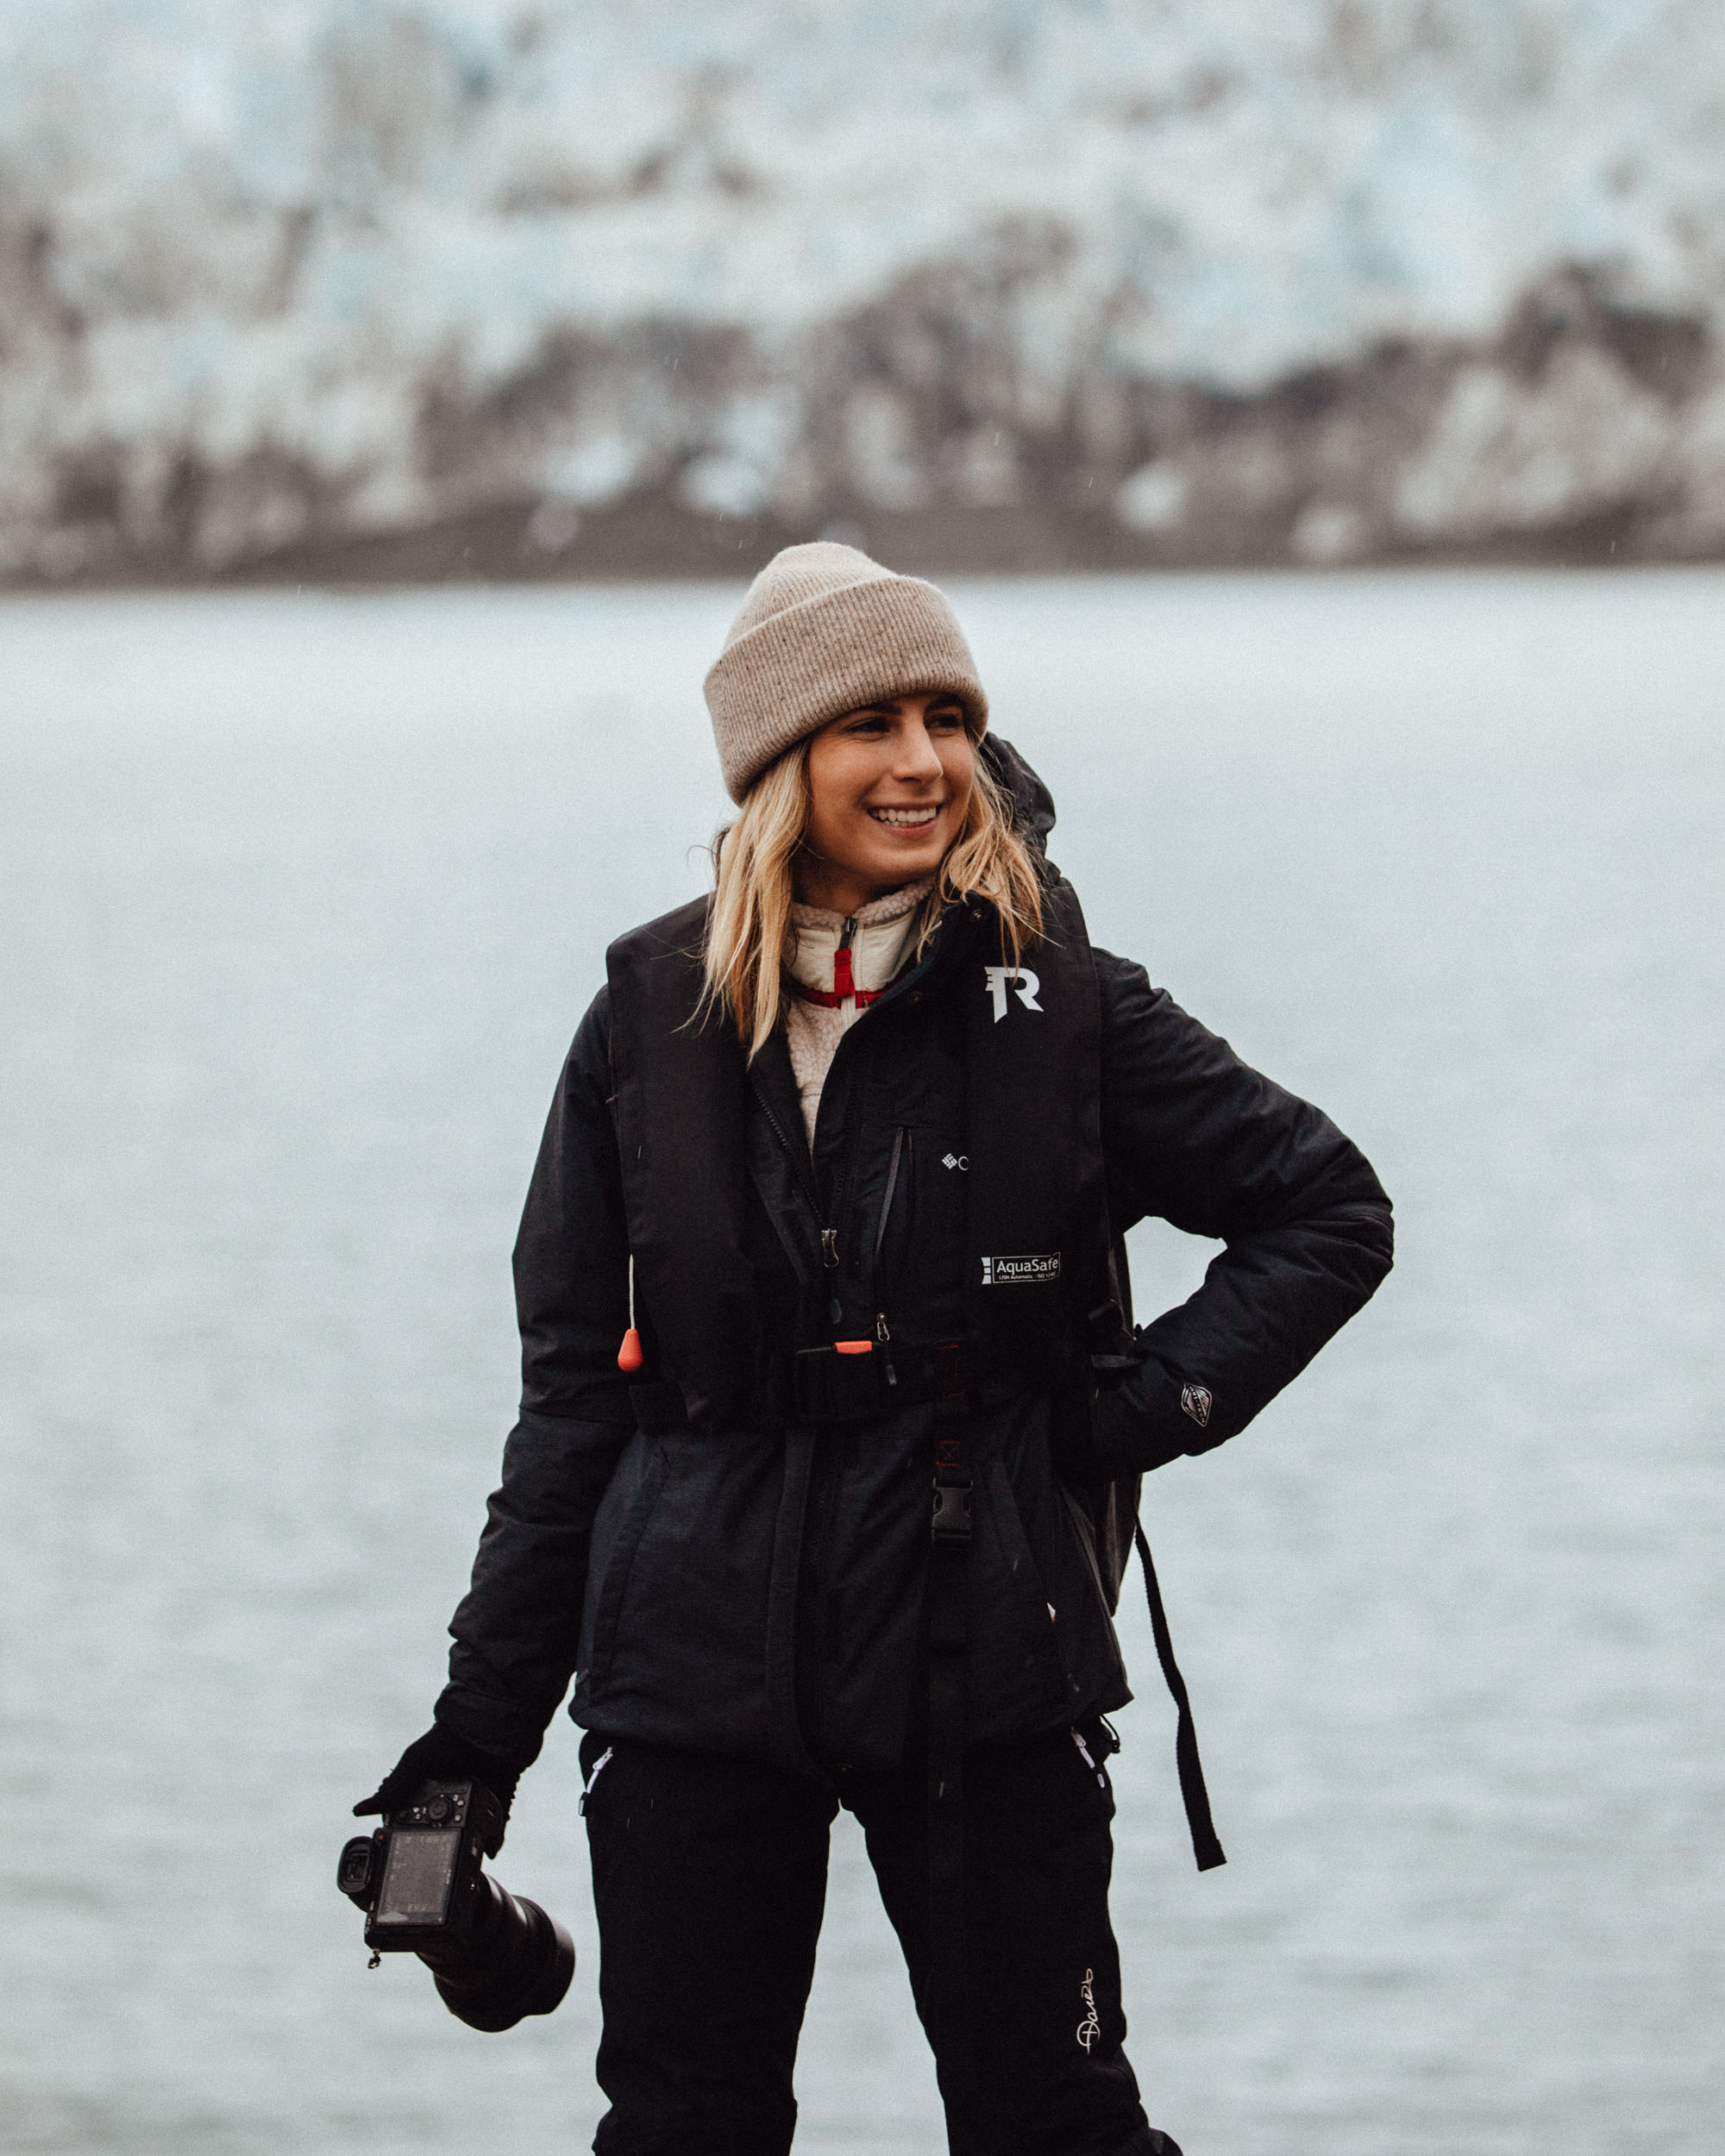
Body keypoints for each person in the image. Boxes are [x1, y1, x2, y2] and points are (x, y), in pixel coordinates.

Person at [356, 543, 1394, 2156]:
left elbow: (1329, 1213)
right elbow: (570, 1410)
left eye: (947, 717)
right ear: (781, 762)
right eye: (870, 723)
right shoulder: (644, 1019)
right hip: (692, 1675)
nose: (921, 761)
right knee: (684, 2131)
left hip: (986, 1659)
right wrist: (473, 1745)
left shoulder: (1066, 1011)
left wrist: (1129, 1412)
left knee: (1055, 2122)